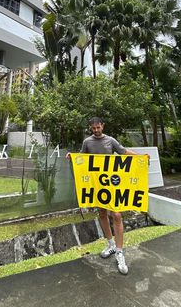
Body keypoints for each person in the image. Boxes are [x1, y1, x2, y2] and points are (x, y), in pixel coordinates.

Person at [67, 116, 149, 275]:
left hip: (112, 184)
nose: (96, 130)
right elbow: (82, 160)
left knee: (116, 215)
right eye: (93, 128)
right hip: (98, 186)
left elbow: (124, 152)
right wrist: (72, 156)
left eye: (98, 127)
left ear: (102, 126)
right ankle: (110, 244)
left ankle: (119, 251)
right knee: (102, 213)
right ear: (91, 128)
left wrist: (141, 157)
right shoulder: (87, 142)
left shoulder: (110, 140)